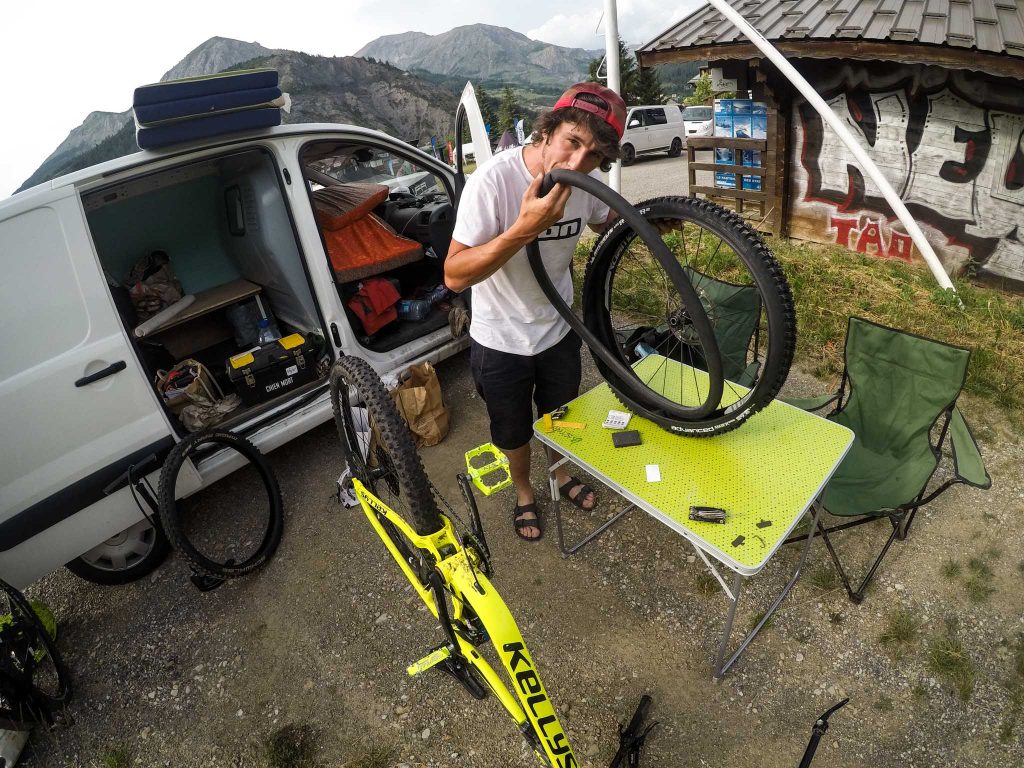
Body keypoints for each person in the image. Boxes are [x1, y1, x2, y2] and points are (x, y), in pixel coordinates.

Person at [444, 82, 626, 542]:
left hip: (558, 330)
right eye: (572, 141)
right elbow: (454, 275)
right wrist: (524, 228)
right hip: (500, 339)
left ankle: (559, 474)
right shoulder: (493, 181)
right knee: (513, 430)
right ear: (547, 130)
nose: (577, 163)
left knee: (560, 416)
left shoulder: (586, 185)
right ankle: (525, 490)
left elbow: (606, 221)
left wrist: (649, 219)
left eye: (594, 155)